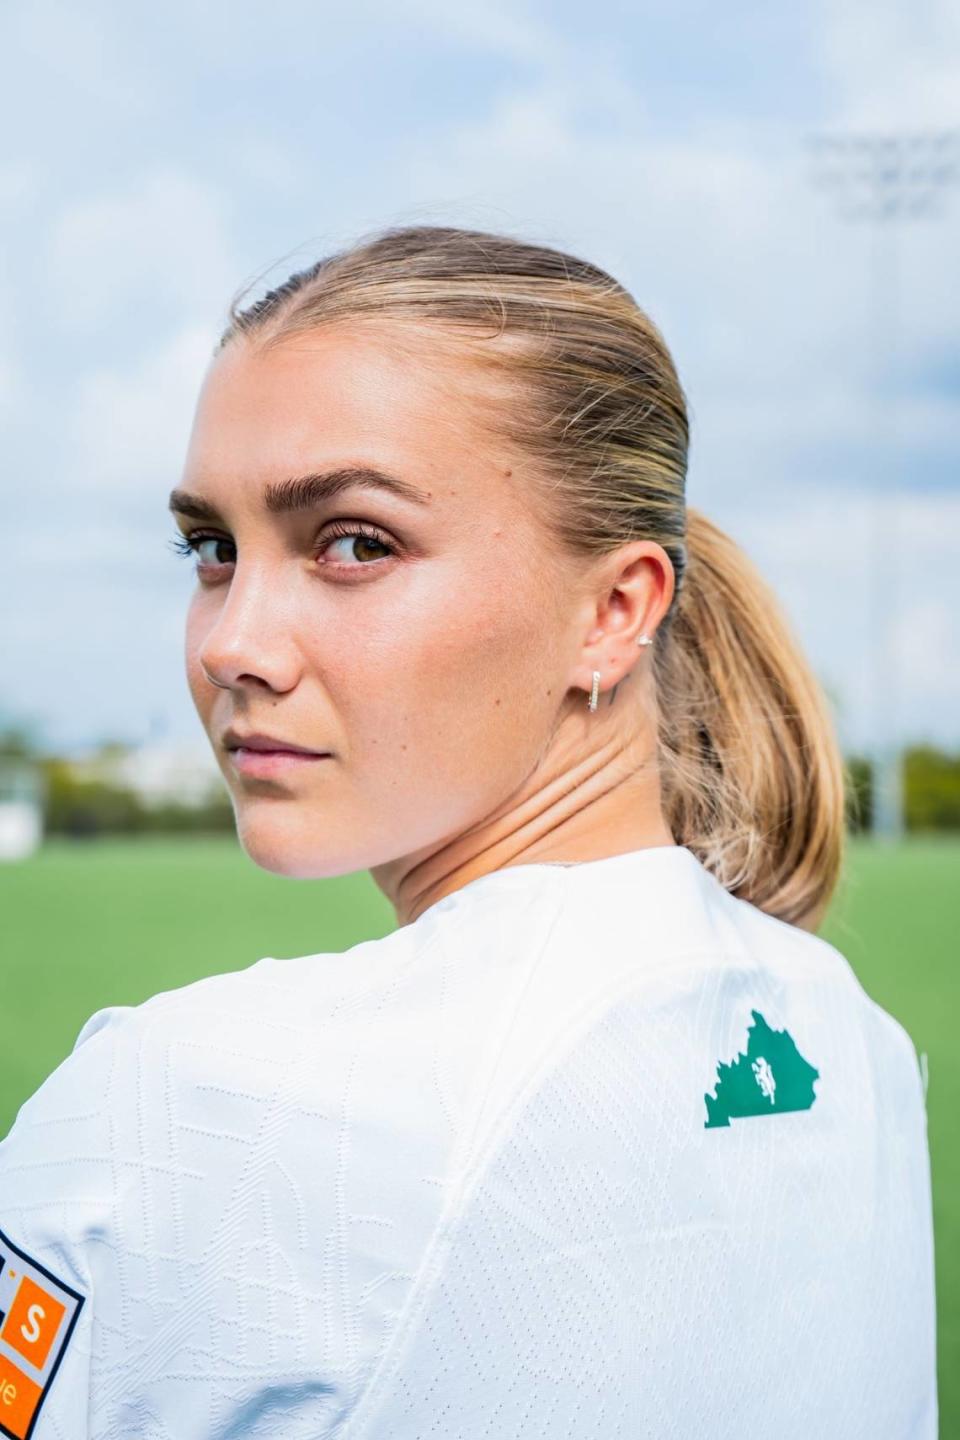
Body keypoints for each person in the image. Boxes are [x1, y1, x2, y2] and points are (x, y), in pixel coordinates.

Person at [0, 225, 936, 1438]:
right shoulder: (851, 1037)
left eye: (354, 543)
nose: (231, 643)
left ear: (613, 610)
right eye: (213, 549)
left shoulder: (187, 1107)